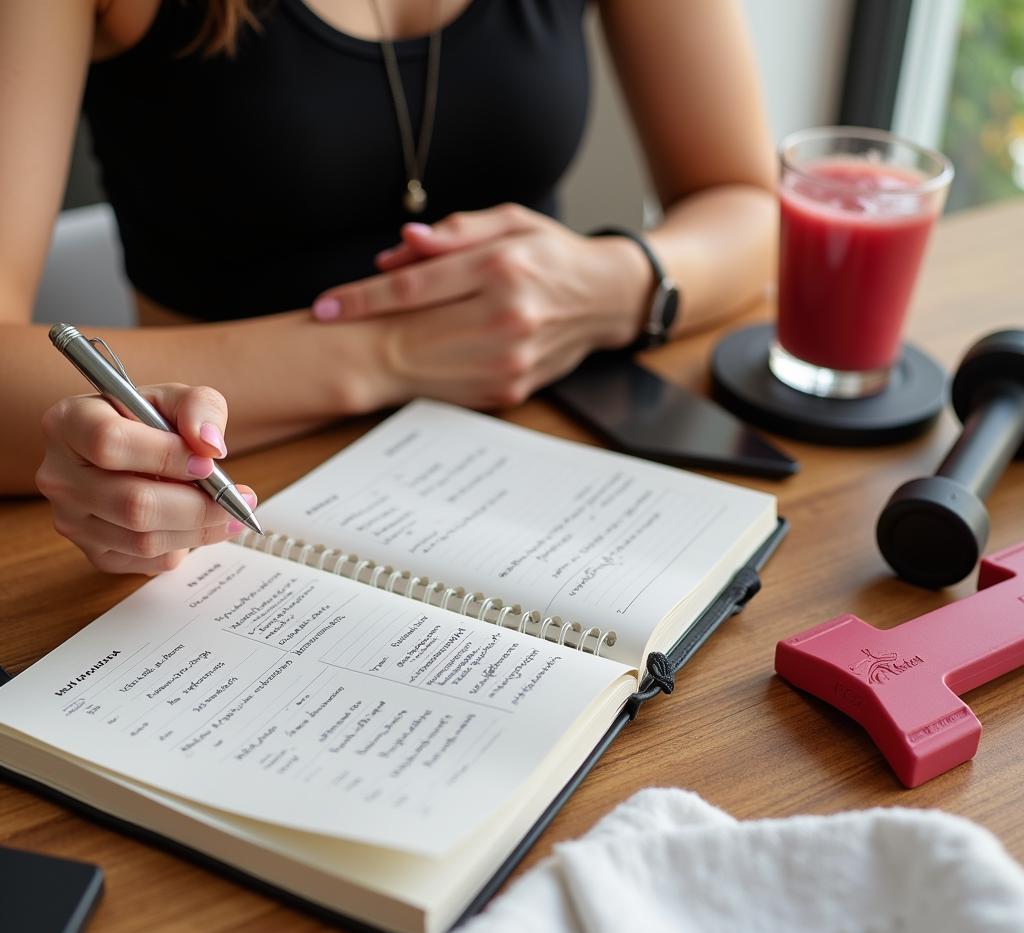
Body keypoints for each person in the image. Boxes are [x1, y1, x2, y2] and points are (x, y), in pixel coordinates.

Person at [2, 0, 776, 574]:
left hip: (554, 459)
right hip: (230, 504)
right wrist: (392, 349)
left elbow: (749, 201)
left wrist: (617, 281)